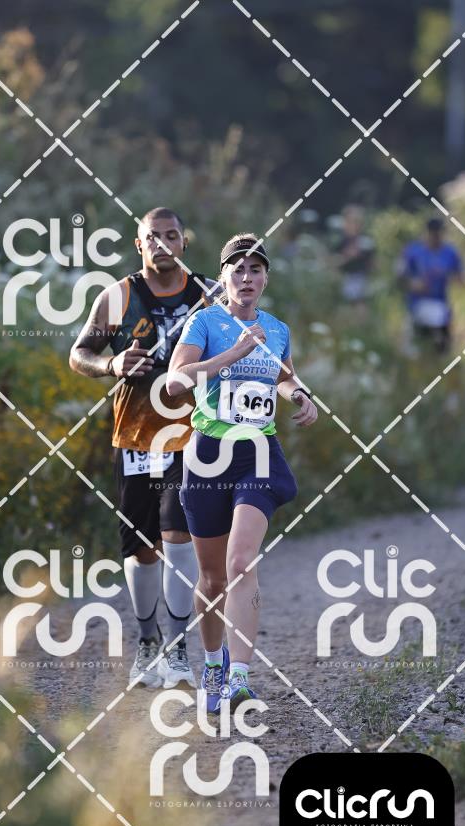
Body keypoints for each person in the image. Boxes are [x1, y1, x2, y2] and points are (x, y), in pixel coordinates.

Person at [166, 233, 318, 712]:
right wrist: (231, 354)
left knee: (241, 563)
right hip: (209, 455)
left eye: (255, 269)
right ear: (224, 277)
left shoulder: (277, 329)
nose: (247, 277)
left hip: (258, 452)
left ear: (266, 279)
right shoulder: (203, 323)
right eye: (238, 270)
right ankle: (214, 662)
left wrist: (299, 394)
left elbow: (284, 376)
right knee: (212, 579)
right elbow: (175, 382)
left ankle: (239, 679)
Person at [69, 208, 218, 688]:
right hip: (135, 434)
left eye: (171, 235)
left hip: (195, 434)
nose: (162, 244)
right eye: (152, 237)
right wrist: (111, 366)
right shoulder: (117, 296)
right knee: (142, 547)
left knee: (179, 536)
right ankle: (148, 643)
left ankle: (178, 650)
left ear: (184, 242)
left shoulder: (210, 293)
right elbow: (79, 354)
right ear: (139, 245)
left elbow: (247, 343)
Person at [399, 217, 465, 354]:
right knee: (416, 347)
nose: (436, 237)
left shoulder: (450, 253)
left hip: (440, 307)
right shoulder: (413, 251)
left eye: (439, 233)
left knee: (441, 348)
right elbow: (400, 278)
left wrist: (454, 278)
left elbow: (463, 277)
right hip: (416, 306)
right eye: (433, 233)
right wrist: (413, 284)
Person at [332, 205, 375, 318]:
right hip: (341, 282)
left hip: (359, 282)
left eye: (354, 222)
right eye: (347, 221)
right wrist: (344, 257)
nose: (348, 225)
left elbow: (372, 263)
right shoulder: (341, 240)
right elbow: (333, 261)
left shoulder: (365, 241)